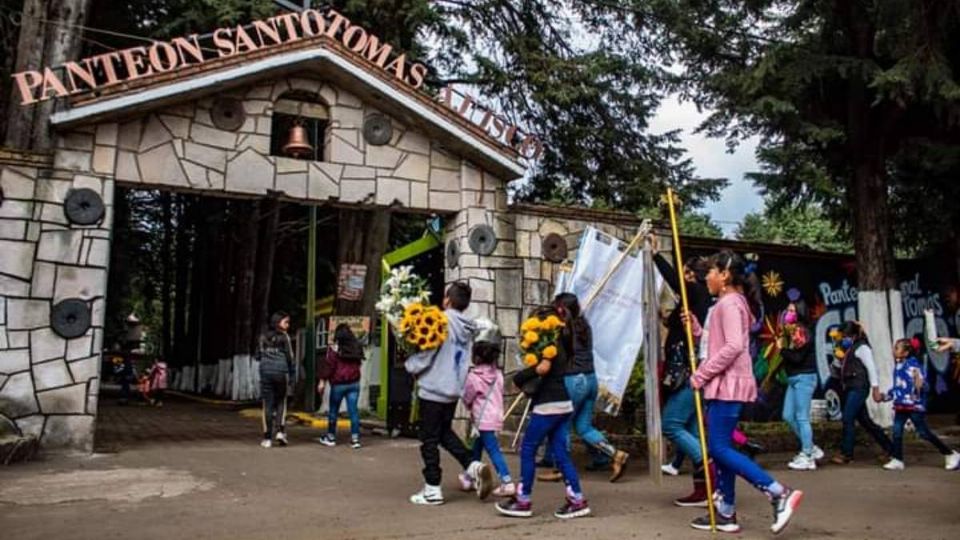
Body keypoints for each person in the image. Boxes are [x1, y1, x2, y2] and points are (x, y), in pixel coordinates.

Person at [687, 250, 802, 534]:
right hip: (725, 384)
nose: (707, 278)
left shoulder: (729, 304)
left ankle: (777, 492)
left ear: (725, 275)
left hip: (727, 385)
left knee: (719, 448)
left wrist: (701, 375)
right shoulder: (730, 303)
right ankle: (726, 511)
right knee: (722, 448)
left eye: (711, 272)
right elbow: (721, 342)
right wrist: (698, 330)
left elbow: (733, 346)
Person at [497, 306, 591, 520]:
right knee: (560, 452)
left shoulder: (549, 345)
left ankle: (523, 499)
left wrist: (520, 378)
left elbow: (541, 370)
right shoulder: (563, 343)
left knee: (528, 448)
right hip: (563, 404)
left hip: (548, 405)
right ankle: (576, 499)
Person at [405, 282, 493, 505]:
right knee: (444, 433)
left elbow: (428, 355)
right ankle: (473, 466)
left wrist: (411, 365)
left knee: (429, 439)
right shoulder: (468, 327)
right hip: (453, 390)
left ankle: (432, 488)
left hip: (433, 389)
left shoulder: (439, 321)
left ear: (447, 300)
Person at [537, 293, 630, 484]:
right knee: (584, 427)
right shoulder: (584, 325)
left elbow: (555, 355)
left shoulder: (562, 328)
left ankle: (560, 468)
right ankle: (615, 454)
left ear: (561, 308)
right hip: (590, 379)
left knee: (560, 424)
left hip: (573, 381)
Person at [651, 242, 715, 507]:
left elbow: (675, 281)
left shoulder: (697, 292)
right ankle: (704, 490)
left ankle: (711, 469)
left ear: (693, 276)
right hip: (683, 369)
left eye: (687, 274)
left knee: (671, 425)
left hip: (688, 372)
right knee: (691, 429)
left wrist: (655, 255)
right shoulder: (695, 300)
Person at [881, 339, 960, 471]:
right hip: (900, 406)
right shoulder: (899, 366)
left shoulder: (914, 366)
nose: (894, 351)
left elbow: (925, 386)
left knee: (924, 433)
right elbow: (898, 387)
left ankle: (950, 454)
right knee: (897, 432)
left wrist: (920, 384)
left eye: (897, 348)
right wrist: (886, 397)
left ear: (906, 352)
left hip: (914, 407)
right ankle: (897, 459)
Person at [460, 319, 515, 497]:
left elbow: (468, 397)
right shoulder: (498, 374)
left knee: (493, 450)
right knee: (477, 447)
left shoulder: (474, 377)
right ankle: (469, 476)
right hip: (495, 416)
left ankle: (507, 480)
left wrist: (468, 405)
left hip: (482, 419)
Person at [830, 321, 894, 465]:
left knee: (847, 417)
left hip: (859, 387)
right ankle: (890, 448)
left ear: (852, 335)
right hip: (851, 386)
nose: (843, 339)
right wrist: (838, 358)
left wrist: (875, 389)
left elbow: (871, 368)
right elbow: (838, 368)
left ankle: (847, 454)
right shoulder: (849, 348)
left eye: (845, 336)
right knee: (866, 421)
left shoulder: (862, 347)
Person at [779, 299, 823, 470]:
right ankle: (811, 447)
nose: (788, 313)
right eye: (787, 309)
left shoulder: (802, 331)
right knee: (787, 415)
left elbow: (797, 357)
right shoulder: (791, 331)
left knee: (802, 417)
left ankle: (807, 455)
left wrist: (781, 350)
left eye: (792, 310)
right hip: (794, 379)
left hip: (804, 378)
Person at [317, 324, 364, 449]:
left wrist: (322, 382)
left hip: (338, 384)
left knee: (333, 411)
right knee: (353, 411)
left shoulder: (334, 349)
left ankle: (331, 437)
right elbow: (359, 363)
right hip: (354, 383)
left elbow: (329, 367)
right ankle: (355, 439)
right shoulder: (357, 347)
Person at [257, 311, 295, 449]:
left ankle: (267, 438)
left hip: (265, 373)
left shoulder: (262, 337)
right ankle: (280, 431)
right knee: (281, 402)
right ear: (278, 322)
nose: (288, 325)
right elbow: (290, 357)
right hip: (281, 373)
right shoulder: (284, 337)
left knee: (267, 405)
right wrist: (292, 376)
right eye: (286, 322)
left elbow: (258, 355)